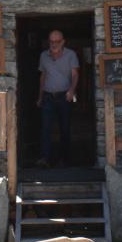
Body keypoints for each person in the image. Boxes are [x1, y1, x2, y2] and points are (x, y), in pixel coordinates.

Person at [36, 29, 79, 168]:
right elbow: (42, 76)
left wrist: (72, 91)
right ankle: (45, 159)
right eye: (51, 41)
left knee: (64, 128)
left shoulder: (70, 55)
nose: (54, 44)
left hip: (64, 96)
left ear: (63, 42)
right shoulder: (44, 56)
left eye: (57, 41)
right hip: (48, 96)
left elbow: (75, 75)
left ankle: (65, 160)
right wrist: (40, 96)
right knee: (45, 128)